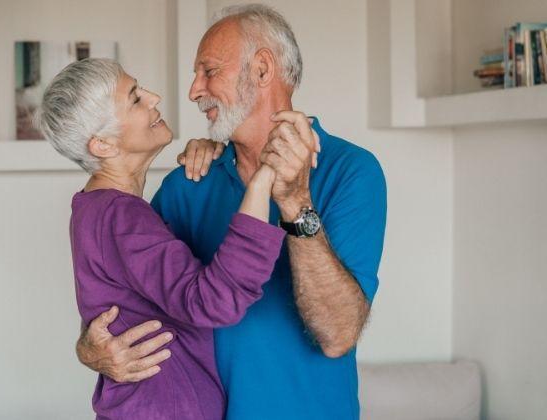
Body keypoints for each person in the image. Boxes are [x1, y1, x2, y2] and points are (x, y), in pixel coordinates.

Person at [76, 4, 387, 419]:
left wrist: (295, 202)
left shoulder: (352, 170)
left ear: (261, 70)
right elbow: (128, 292)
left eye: (208, 71)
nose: (193, 91)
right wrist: (90, 349)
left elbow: (337, 335)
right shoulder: (188, 183)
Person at [37, 57, 289, 419]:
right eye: (136, 98)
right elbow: (213, 301)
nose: (154, 98)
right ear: (103, 145)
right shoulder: (121, 217)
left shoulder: (94, 210)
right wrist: (263, 178)